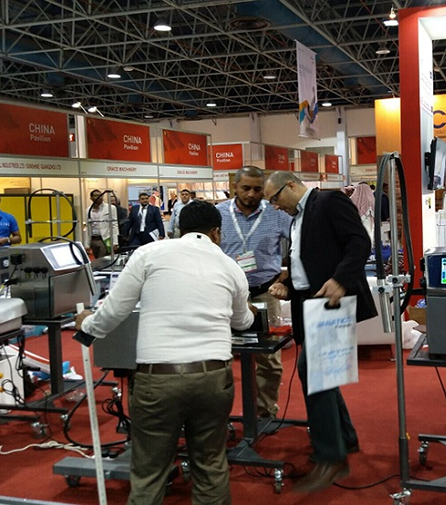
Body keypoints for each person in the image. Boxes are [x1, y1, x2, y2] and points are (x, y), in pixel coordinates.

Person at [75, 200, 254, 504]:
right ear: (216, 233)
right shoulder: (230, 266)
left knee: (149, 471)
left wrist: (87, 325)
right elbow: (243, 322)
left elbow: (114, 310)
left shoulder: (149, 253)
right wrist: (248, 311)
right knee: (210, 465)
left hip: (158, 379)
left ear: (179, 228)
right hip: (213, 378)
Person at [264, 171, 377, 493]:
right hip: (309, 304)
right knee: (321, 374)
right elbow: (305, 259)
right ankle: (345, 438)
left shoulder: (329, 201)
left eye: (275, 199)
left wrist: (341, 279)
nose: (275, 206)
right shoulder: (297, 218)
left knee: (314, 373)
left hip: (332, 302)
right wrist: (287, 285)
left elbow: (359, 242)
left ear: (290, 185)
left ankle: (331, 456)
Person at [216, 166, 292, 419]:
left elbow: (299, 240)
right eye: (245, 188)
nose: (251, 194)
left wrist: (289, 275)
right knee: (219, 355)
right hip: (226, 295)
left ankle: (266, 410)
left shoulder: (276, 213)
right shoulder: (219, 214)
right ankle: (219, 415)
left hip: (265, 292)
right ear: (234, 187)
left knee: (269, 358)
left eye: (257, 189)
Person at [85, 189, 119, 259]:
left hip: (105, 239)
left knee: (103, 259)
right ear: (91, 198)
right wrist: (86, 244)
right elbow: (86, 227)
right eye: (96, 195)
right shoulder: (88, 210)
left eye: (100, 195)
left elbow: (114, 225)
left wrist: (115, 242)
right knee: (97, 259)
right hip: (93, 239)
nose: (99, 197)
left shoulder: (111, 208)